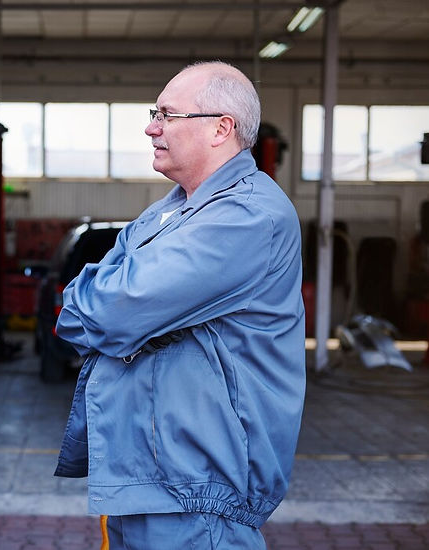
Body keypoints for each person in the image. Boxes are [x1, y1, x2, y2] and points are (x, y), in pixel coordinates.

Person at [54, 61, 305, 550]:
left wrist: (108, 304)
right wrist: (108, 303)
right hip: (151, 476)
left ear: (221, 128)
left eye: (167, 114)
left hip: (198, 492)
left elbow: (111, 310)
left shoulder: (247, 216)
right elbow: (76, 311)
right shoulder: (173, 207)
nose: (152, 126)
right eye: (155, 113)